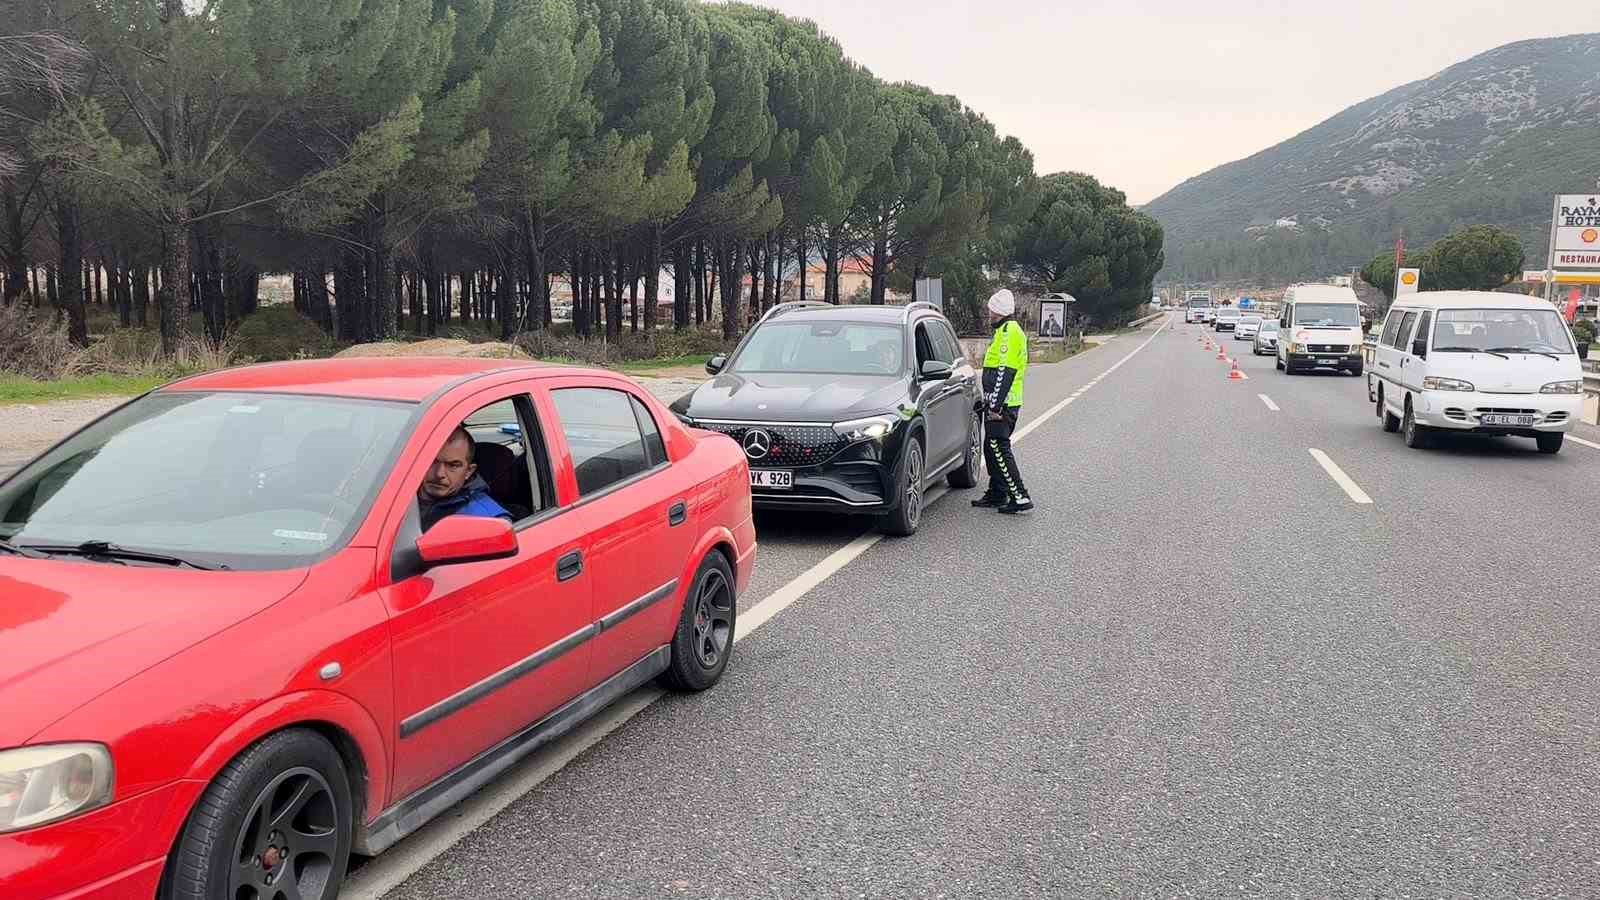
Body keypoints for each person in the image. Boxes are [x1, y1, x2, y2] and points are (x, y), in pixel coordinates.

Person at [971, 289, 1033, 514]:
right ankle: (997, 493)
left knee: (999, 447)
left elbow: (1005, 372)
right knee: (990, 448)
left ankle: (1020, 496)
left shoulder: (1009, 333)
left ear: (998, 311)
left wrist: (995, 406)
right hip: (999, 402)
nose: (989, 314)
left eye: (991, 310)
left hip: (1004, 405)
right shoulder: (1003, 332)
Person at [418, 426, 513, 532]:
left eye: (453, 465)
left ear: (469, 471)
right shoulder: (399, 487)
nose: (439, 474)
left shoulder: (488, 521)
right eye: (432, 462)